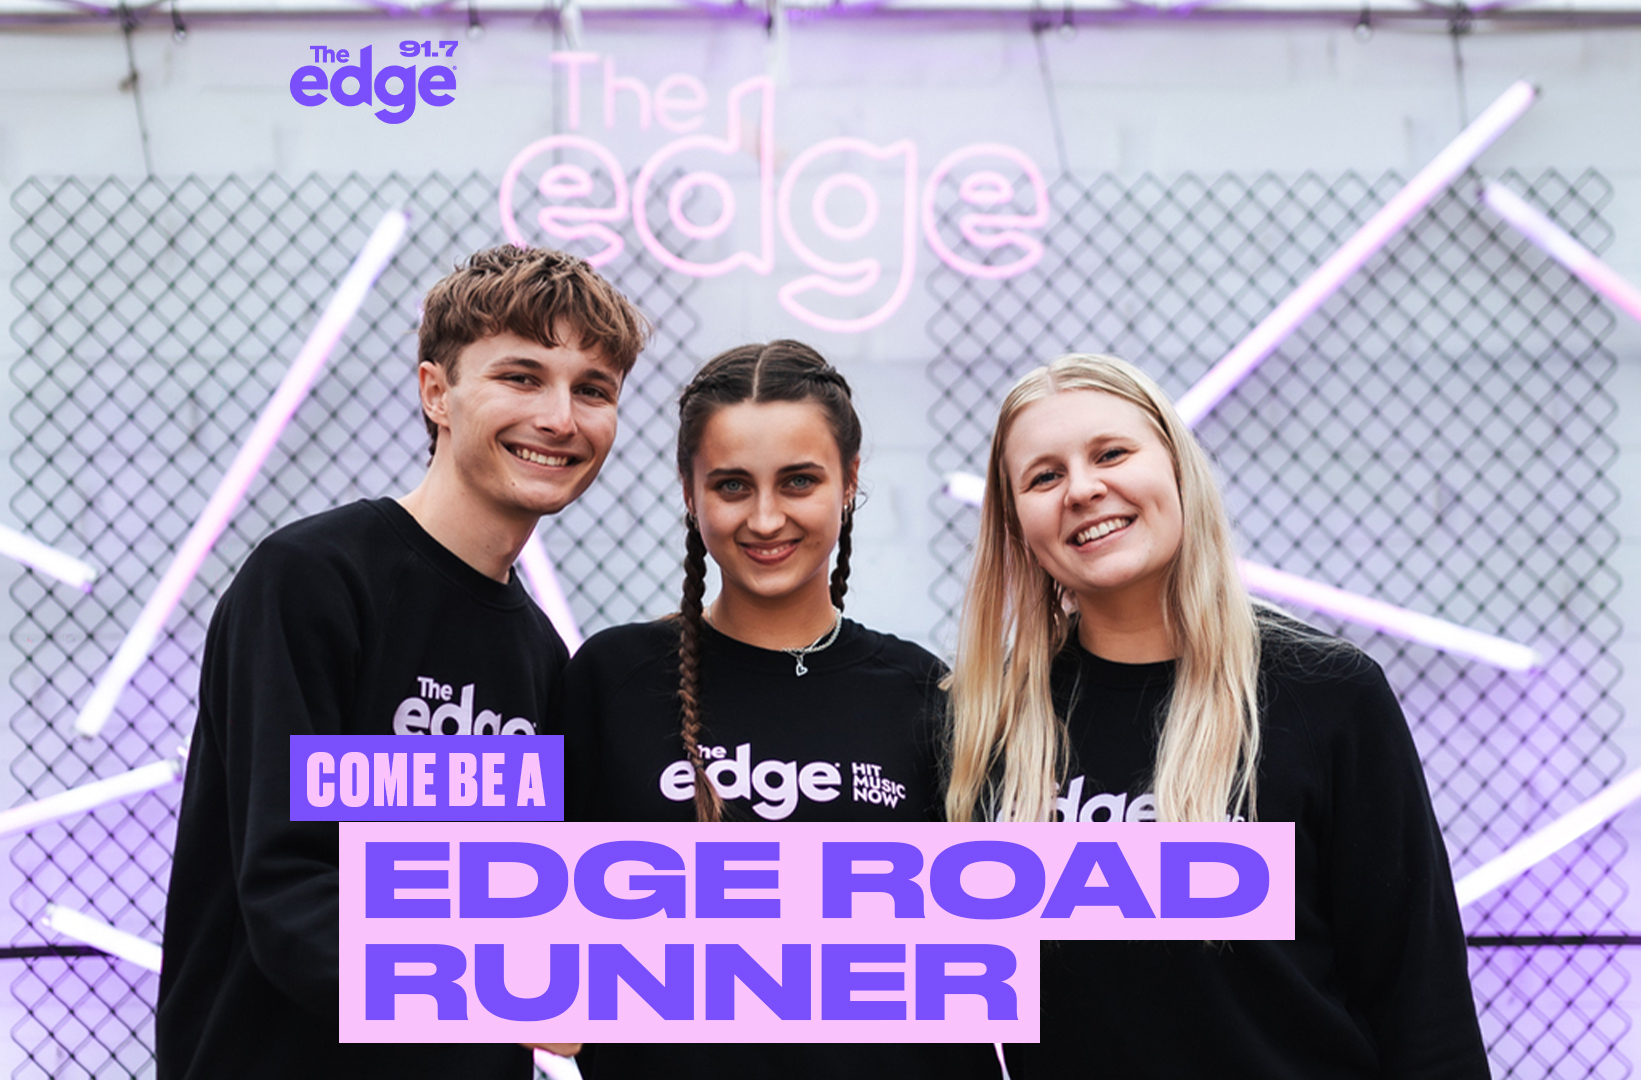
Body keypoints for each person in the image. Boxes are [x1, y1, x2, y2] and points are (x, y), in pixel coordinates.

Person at [156, 245, 648, 1079]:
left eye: (591, 389)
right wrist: (504, 990)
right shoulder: (314, 579)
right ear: (436, 394)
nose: (561, 417)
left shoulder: (538, 654)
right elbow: (290, 887)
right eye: (521, 378)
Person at [944, 354, 1490, 1079]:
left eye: (1111, 453)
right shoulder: (983, 723)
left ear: (1175, 466)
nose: (1082, 489)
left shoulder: (1327, 694)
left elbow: (1420, 1001)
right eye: (1043, 477)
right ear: (1015, 522)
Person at [556, 340, 999, 1080]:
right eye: (731, 486)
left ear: (849, 481)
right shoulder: (611, 678)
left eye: (798, 481)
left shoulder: (923, 691)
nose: (765, 519)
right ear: (688, 489)